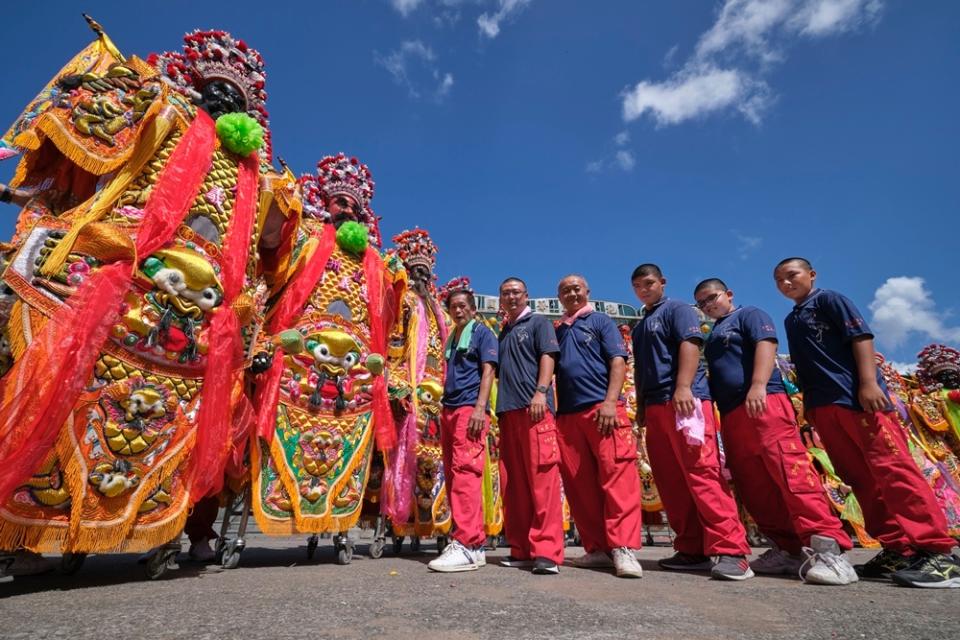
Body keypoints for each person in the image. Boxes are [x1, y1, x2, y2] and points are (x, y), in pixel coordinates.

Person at [0, 26, 282, 576]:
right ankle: (27, 526)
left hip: (199, 315)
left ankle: (160, 524)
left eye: (239, 98)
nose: (227, 102)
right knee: (51, 383)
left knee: (186, 419)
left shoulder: (257, 181)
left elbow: (266, 249)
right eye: (219, 90)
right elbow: (88, 144)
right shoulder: (162, 113)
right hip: (121, 275)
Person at [250, 154, 402, 558]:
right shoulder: (307, 238)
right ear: (326, 204)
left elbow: (389, 322)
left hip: (351, 375)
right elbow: (270, 257)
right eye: (340, 203)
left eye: (354, 206)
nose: (347, 209)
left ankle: (337, 525)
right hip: (301, 364)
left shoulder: (377, 266)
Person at [774, 257, 960, 588]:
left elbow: (860, 337)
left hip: (857, 398)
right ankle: (898, 546)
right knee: (859, 479)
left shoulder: (830, 299)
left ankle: (937, 550)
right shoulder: (792, 319)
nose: (786, 283)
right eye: (779, 280)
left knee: (893, 470)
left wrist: (868, 382)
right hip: (824, 405)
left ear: (812, 274)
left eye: (792, 275)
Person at [694, 278, 857, 585]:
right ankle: (788, 548)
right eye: (701, 303)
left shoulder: (750, 315)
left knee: (790, 473)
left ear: (729, 294)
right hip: (731, 413)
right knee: (755, 483)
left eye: (711, 297)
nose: (707, 305)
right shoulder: (713, 332)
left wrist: (758, 385)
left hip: (764, 402)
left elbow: (766, 346)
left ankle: (830, 550)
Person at [629, 264, 753, 581]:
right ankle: (692, 548)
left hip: (684, 401)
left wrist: (683, 386)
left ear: (662, 283)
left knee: (702, 473)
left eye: (649, 283)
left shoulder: (679, 309)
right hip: (655, 406)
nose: (644, 290)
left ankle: (731, 550)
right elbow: (642, 369)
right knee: (670, 481)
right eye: (638, 286)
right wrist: (642, 407)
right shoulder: (641, 325)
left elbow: (690, 344)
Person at [553, 275, 643, 578]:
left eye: (576, 288)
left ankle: (624, 548)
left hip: (601, 409)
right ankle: (597, 548)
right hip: (567, 416)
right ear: (559, 296)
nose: (571, 293)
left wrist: (610, 402)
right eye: (565, 290)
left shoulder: (601, 321)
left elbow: (618, 361)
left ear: (587, 292)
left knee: (617, 478)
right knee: (580, 486)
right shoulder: (558, 330)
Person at [383, 228, 452, 548]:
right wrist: (396, 384)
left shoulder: (441, 311)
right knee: (407, 456)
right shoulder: (404, 300)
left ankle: (437, 524)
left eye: (425, 271)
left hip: (439, 393)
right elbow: (395, 342)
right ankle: (401, 525)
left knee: (437, 461)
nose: (420, 276)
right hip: (413, 386)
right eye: (415, 270)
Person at [495, 277, 564, 574]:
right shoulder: (504, 332)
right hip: (508, 413)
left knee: (542, 481)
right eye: (506, 294)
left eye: (516, 293)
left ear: (526, 295)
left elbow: (548, 357)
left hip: (534, 409)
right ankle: (522, 548)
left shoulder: (539, 323)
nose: (511, 297)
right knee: (515, 486)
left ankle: (547, 552)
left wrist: (541, 391)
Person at [428, 283, 498, 572]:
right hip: (450, 409)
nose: (457, 310)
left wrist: (480, 408)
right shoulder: (453, 338)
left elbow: (489, 370)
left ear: (473, 309)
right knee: (455, 476)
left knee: (466, 472)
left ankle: (466, 543)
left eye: (462, 306)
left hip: (470, 408)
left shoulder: (482, 333)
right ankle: (475, 545)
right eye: (453, 307)